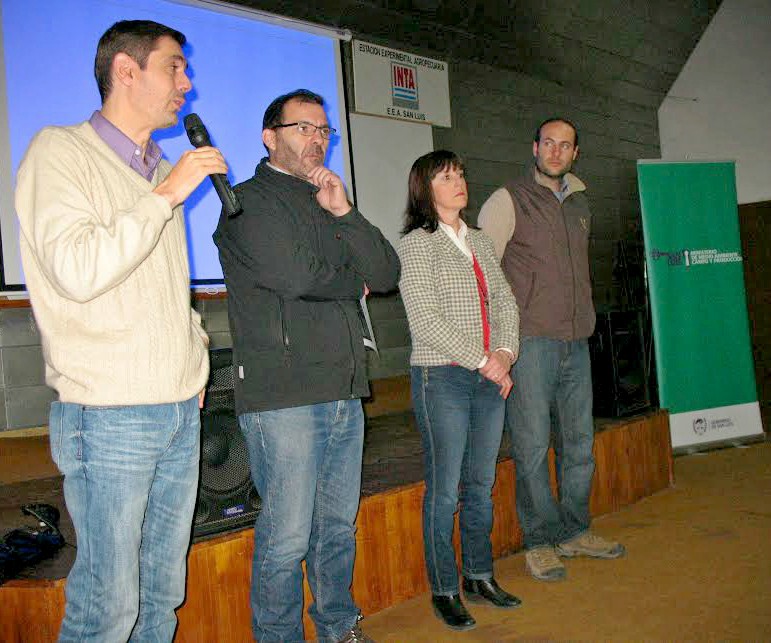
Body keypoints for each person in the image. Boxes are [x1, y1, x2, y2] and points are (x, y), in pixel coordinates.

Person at [14, 20, 226, 642]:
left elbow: (164, 294)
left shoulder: (155, 166)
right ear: (127, 71)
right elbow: (78, 270)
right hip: (110, 417)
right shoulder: (60, 151)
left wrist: (194, 360)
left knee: (162, 598)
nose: (187, 84)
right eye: (175, 68)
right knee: (107, 608)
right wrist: (164, 197)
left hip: (177, 408)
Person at [213, 89, 400, 642]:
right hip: (284, 396)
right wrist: (351, 282)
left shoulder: (329, 201)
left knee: (337, 529)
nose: (316, 139)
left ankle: (338, 626)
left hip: (344, 387)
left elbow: (385, 272)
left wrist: (345, 212)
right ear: (269, 137)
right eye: (303, 128)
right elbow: (296, 276)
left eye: (323, 130)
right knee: (287, 537)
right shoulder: (246, 202)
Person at [478, 117, 625, 583]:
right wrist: (500, 342)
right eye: (548, 143)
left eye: (565, 146)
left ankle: (574, 531)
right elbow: (481, 271)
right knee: (533, 446)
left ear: (575, 153)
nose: (556, 152)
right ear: (534, 147)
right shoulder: (508, 199)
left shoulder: (580, 203)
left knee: (580, 444)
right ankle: (540, 541)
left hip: (576, 341)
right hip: (530, 343)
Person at [397, 150, 522, 631]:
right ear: (425, 189)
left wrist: (506, 354)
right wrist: (485, 361)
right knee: (445, 491)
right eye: (446, 176)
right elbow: (425, 321)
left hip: (489, 377)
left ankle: (479, 575)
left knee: (480, 487)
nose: (458, 182)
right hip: (443, 376)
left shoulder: (483, 242)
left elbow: (506, 302)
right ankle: (445, 589)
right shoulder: (415, 244)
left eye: (460, 174)